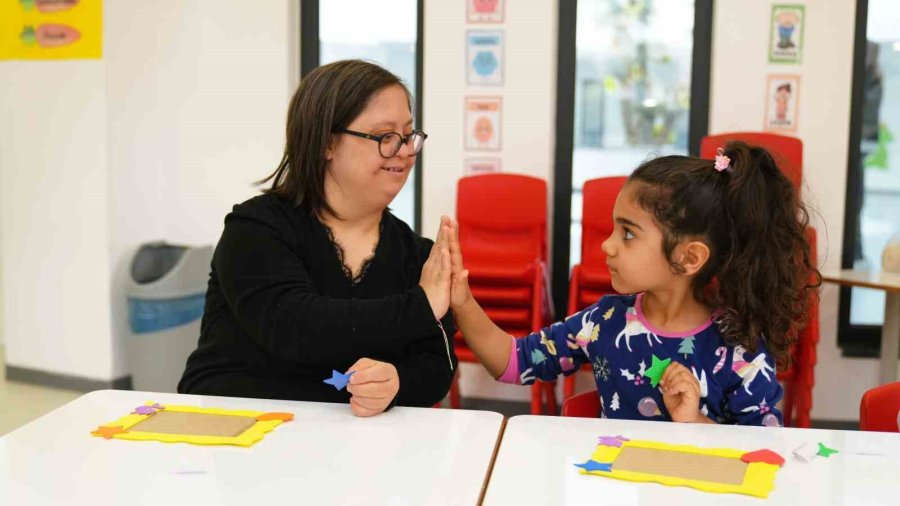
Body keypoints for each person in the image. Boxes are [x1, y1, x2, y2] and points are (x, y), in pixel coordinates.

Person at [439, 142, 820, 425]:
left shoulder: (741, 348)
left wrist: (695, 421)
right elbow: (513, 362)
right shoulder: (604, 321)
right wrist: (462, 301)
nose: (607, 245)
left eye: (628, 233)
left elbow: (764, 452)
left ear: (688, 257)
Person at [178, 60, 457, 416]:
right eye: (385, 137)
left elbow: (437, 365)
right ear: (326, 142)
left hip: (350, 440)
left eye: (407, 136)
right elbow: (295, 327)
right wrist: (421, 306)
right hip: (236, 429)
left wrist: (397, 381)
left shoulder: (417, 254)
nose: (403, 151)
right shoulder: (256, 227)